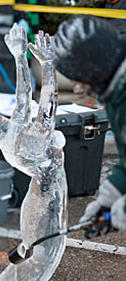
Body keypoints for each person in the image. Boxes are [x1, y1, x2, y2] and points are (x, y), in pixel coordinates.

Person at [52, 16, 126, 233]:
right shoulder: (115, 91)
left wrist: (119, 213)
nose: (78, 89)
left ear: (93, 67)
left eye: (78, 78)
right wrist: (107, 200)